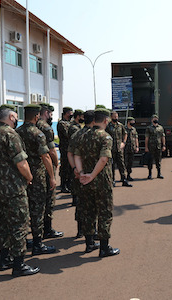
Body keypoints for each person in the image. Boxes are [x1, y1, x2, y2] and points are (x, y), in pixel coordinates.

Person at [0, 104, 40, 276]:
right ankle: (19, 264)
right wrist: (29, 177)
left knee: (2, 223)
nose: (16, 120)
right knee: (19, 223)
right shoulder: (10, 134)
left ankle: (5, 260)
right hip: (13, 187)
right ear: (11, 117)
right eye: (15, 117)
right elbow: (21, 162)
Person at [74, 108, 120, 257]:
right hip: (101, 181)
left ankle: (89, 244)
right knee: (104, 213)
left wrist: (82, 174)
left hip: (86, 180)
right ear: (105, 120)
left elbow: (76, 155)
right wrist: (92, 175)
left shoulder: (83, 136)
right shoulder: (105, 137)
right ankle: (104, 248)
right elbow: (103, 159)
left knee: (88, 211)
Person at [16, 104, 57, 256]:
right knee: (38, 208)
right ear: (36, 116)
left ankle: (25, 239)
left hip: (22, 174)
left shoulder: (16, 132)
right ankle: (38, 243)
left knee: (25, 207)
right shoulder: (38, 134)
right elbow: (45, 156)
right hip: (38, 175)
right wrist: (52, 176)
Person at [36, 103, 63, 239]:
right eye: (51, 114)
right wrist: (56, 164)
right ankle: (47, 229)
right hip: (45, 167)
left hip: (32, 168)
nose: (51, 117)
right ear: (46, 113)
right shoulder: (46, 127)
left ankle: (38, 228)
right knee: (48, 199)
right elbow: (51, 150)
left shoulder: (31, 126)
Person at [67, 110, 95, 239]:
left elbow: (69, 154)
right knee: (93, 204)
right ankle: (92, 232)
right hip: (92, 175)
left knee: (80, 202)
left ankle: (80, 230)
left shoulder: (76, 134)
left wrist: (75, 169)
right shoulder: (95, 135)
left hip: (78, 174)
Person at [106, 111, 132, 187]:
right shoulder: (108, 126)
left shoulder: (120, 125)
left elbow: (125, 134)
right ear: (111, 117)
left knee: (122, 165)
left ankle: (124, 180)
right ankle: (113, 180)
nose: (116, 118)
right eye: (114, 117)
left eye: (117, 116)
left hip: (119, 149)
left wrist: (124, 142)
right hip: (111, 149)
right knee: (112, 166)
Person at [68, 109, 85, 204]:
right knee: (75, 176)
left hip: (76, 154)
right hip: (74, 154)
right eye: (82, 117)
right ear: (78, 116)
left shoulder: (77, 126)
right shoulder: (74, 128)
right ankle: (75, 198)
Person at [57, 107, 73, 193]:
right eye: (70, 113)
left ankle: (68, 184)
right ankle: (63, 185)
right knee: (64, 167)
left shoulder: (69, 123)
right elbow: (68, 134)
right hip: (64, 148)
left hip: (70, 148)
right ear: (66, 113)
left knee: (70, 167)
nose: (71, 115)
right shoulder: (62, 123)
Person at [145, 114, 166, 179]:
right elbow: (146, 138)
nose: (155, 120)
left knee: (158, 161)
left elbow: (163, 136)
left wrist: (164, 145)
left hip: (158, 146)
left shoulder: (160, 127)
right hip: (151, 146)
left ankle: (159, 173)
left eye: (156, 119)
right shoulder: (149, 128)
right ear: (151, 120)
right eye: (154, 119)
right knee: (150, 161)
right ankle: (150, 174)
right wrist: (146, 147)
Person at [124, 117, 139, 181]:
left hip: (132, 148)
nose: (133, 123)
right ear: (128, 122)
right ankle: (123, 176)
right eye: (132, 121)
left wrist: (137, 146)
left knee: (130, 162)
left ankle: (128, 175)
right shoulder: (124, 129)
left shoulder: (134, 129)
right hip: (125, 148)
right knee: (124, 163)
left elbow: (136, 138)